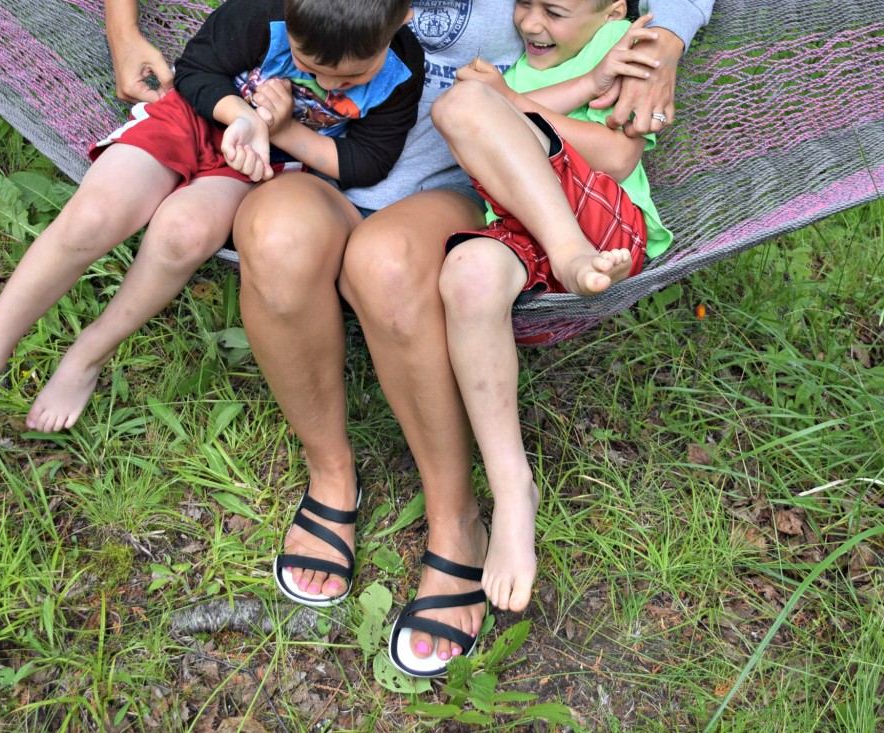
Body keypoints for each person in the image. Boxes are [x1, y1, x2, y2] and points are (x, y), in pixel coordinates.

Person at [100, 0, 712, 675]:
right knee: (274, 238)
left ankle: (456, 519)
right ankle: (332, 477)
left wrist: (669, 42)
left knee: (386, 266)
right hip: (320, 150)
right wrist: (122, 29)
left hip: (468, 176)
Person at [0, 0, 424, 474]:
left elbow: (364, 163)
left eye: (351, 77)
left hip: (260, 161)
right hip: (192, 117)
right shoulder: (265, 12)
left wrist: (284, 130)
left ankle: (89, 353)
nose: (323, 80)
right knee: (94, 217)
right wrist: (244, 116)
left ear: (403, 16)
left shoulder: (402, 69)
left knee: (185, 235)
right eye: (305, 62)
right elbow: (197, 71)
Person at [427, 0, 673, 670]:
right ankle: (514, 489)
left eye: (557, 10)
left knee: (463, 107)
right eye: (525, 1)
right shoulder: (518, 65)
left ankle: (567, 254)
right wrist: (516, 97)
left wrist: (511, 104)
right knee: (468, 276)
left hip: (605, 231)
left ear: (613, 9)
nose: (532, 21)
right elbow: (505, 107)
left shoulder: (628, 43)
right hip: (519, 230)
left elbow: (620, 154)